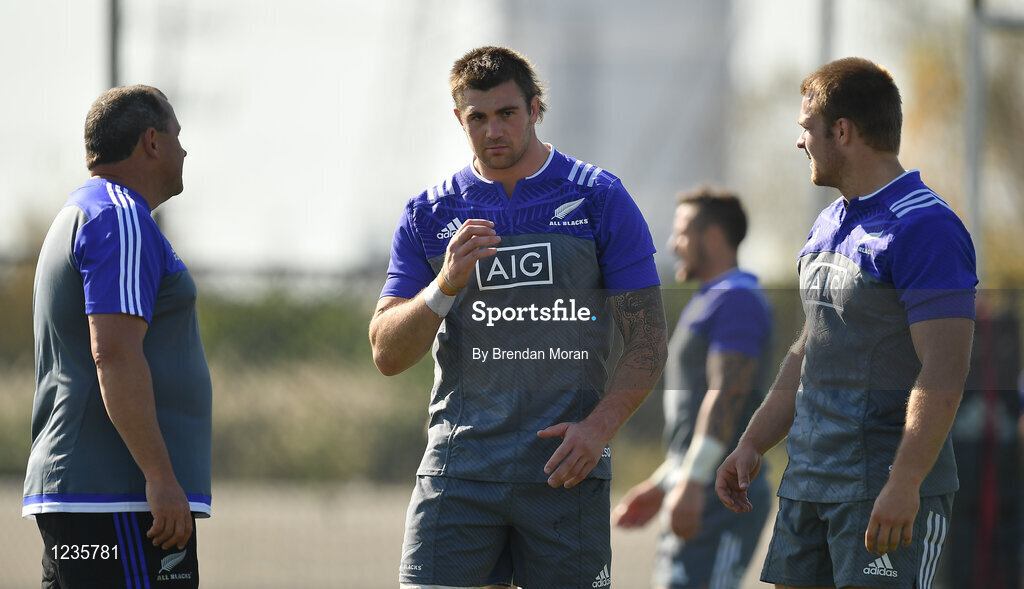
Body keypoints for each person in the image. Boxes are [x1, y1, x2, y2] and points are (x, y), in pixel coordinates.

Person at [369, 45, 667, 589]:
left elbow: (647, 338)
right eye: (477, 118)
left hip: (563, 469)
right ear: (459, 120)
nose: (493, 130)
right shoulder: (429, 214)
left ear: (534, 109)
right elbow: (387, 354)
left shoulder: (598, 198)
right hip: (460, 469)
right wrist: (444, 286)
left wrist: (599, 428)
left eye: (507, 113)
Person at [715, 57, 977, 589]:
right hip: (809, 485)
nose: (800, 142)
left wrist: (905, 482)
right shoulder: (830, 220)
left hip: (883, 491)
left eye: (806, 128)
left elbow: (945, 368)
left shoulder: (927, 227)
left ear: (842, 130)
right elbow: (809, 349)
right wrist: (752, 443)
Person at [23, 85, 210, 589]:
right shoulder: (120, 218)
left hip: (95, 498)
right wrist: (160, 477)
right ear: (152, 142)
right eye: (177, 136)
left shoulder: (84, 212)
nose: (184, 150)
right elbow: (115, 355)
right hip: (119, 499)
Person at [612, 187, 773, 589]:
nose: (672, 244)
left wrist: (693, 481)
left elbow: (726, 395)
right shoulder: (712, 300)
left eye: (682, 232)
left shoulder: (737, 299)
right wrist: (667, 480)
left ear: (713, 237)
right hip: (699, 484)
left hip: (720, 493)